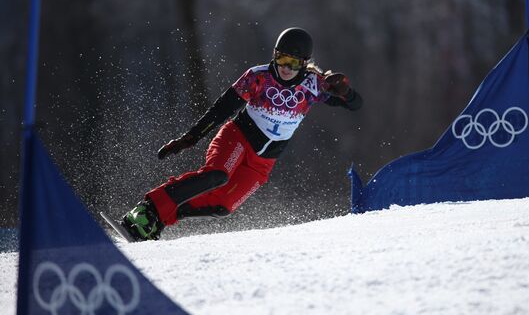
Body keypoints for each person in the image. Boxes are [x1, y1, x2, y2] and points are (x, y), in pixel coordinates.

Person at [120, 27, 363, 241]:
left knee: (223, 204)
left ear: (304, 63)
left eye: (294, 63)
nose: (285, 68)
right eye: (281, 58)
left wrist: (345, 92)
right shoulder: (258, 77)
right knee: (217, 175)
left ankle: (157, 223)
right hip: (239, 138)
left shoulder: (314, 85)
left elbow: (355, 105)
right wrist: (191, 137)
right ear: (274, 54)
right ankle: (147, 210)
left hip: (264, 161)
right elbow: (222, 109)